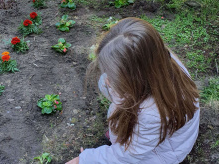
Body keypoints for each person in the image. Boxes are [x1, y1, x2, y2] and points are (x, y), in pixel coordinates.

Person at [66, 17, 200, 164]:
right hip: (161, 131)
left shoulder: (151, 115)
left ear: (136, 79)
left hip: (164, 152)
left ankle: (123, 137)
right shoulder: (159, 61)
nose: (107, 79)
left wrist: (85, 159)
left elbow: (127, 157)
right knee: (103, 85)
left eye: (114, 76)